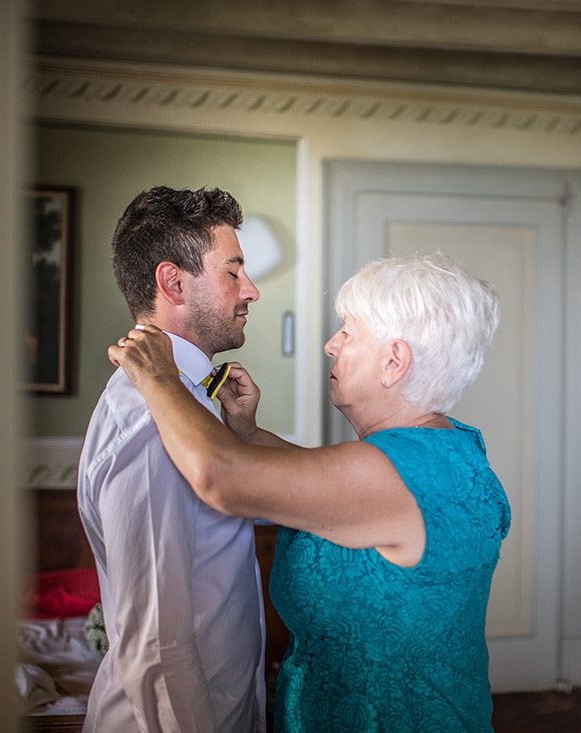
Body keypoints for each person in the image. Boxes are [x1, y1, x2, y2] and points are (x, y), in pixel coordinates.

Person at [109, 253, 510, 732]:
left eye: (349, 331)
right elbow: (327, 480)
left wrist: (159, 378)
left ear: (394, 361)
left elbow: (220, 478)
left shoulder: (399, 471)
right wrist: (251, 434)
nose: (330, 345)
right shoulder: (437, 451)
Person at [78, 186, 266, 732]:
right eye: (233, 271)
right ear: (173, 282)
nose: (250, 290)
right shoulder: (148, 414)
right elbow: (156, 642)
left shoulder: (191, 399)